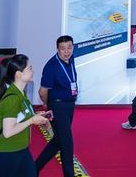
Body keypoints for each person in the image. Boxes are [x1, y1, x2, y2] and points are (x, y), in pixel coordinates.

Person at [0, 54, 49, 177]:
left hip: (21, 150)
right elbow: (8, 132)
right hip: (8, 154)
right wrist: (31, 120)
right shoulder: (12, 98)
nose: (33, 71)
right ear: (18, 74)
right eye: (30, 68)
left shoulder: (21, 94)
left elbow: (20, 117)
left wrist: (36, 117)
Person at [36, 36, 78, 177]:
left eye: (69, 47)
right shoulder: (51, 66)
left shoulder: (71, 59)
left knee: (58, 141)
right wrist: (48, 105)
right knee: (67, 143)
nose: (67, 51)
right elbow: (42, 92)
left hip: (69, 105)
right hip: (58, 106)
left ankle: (34, 168)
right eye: (63, 48)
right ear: (57, 49)